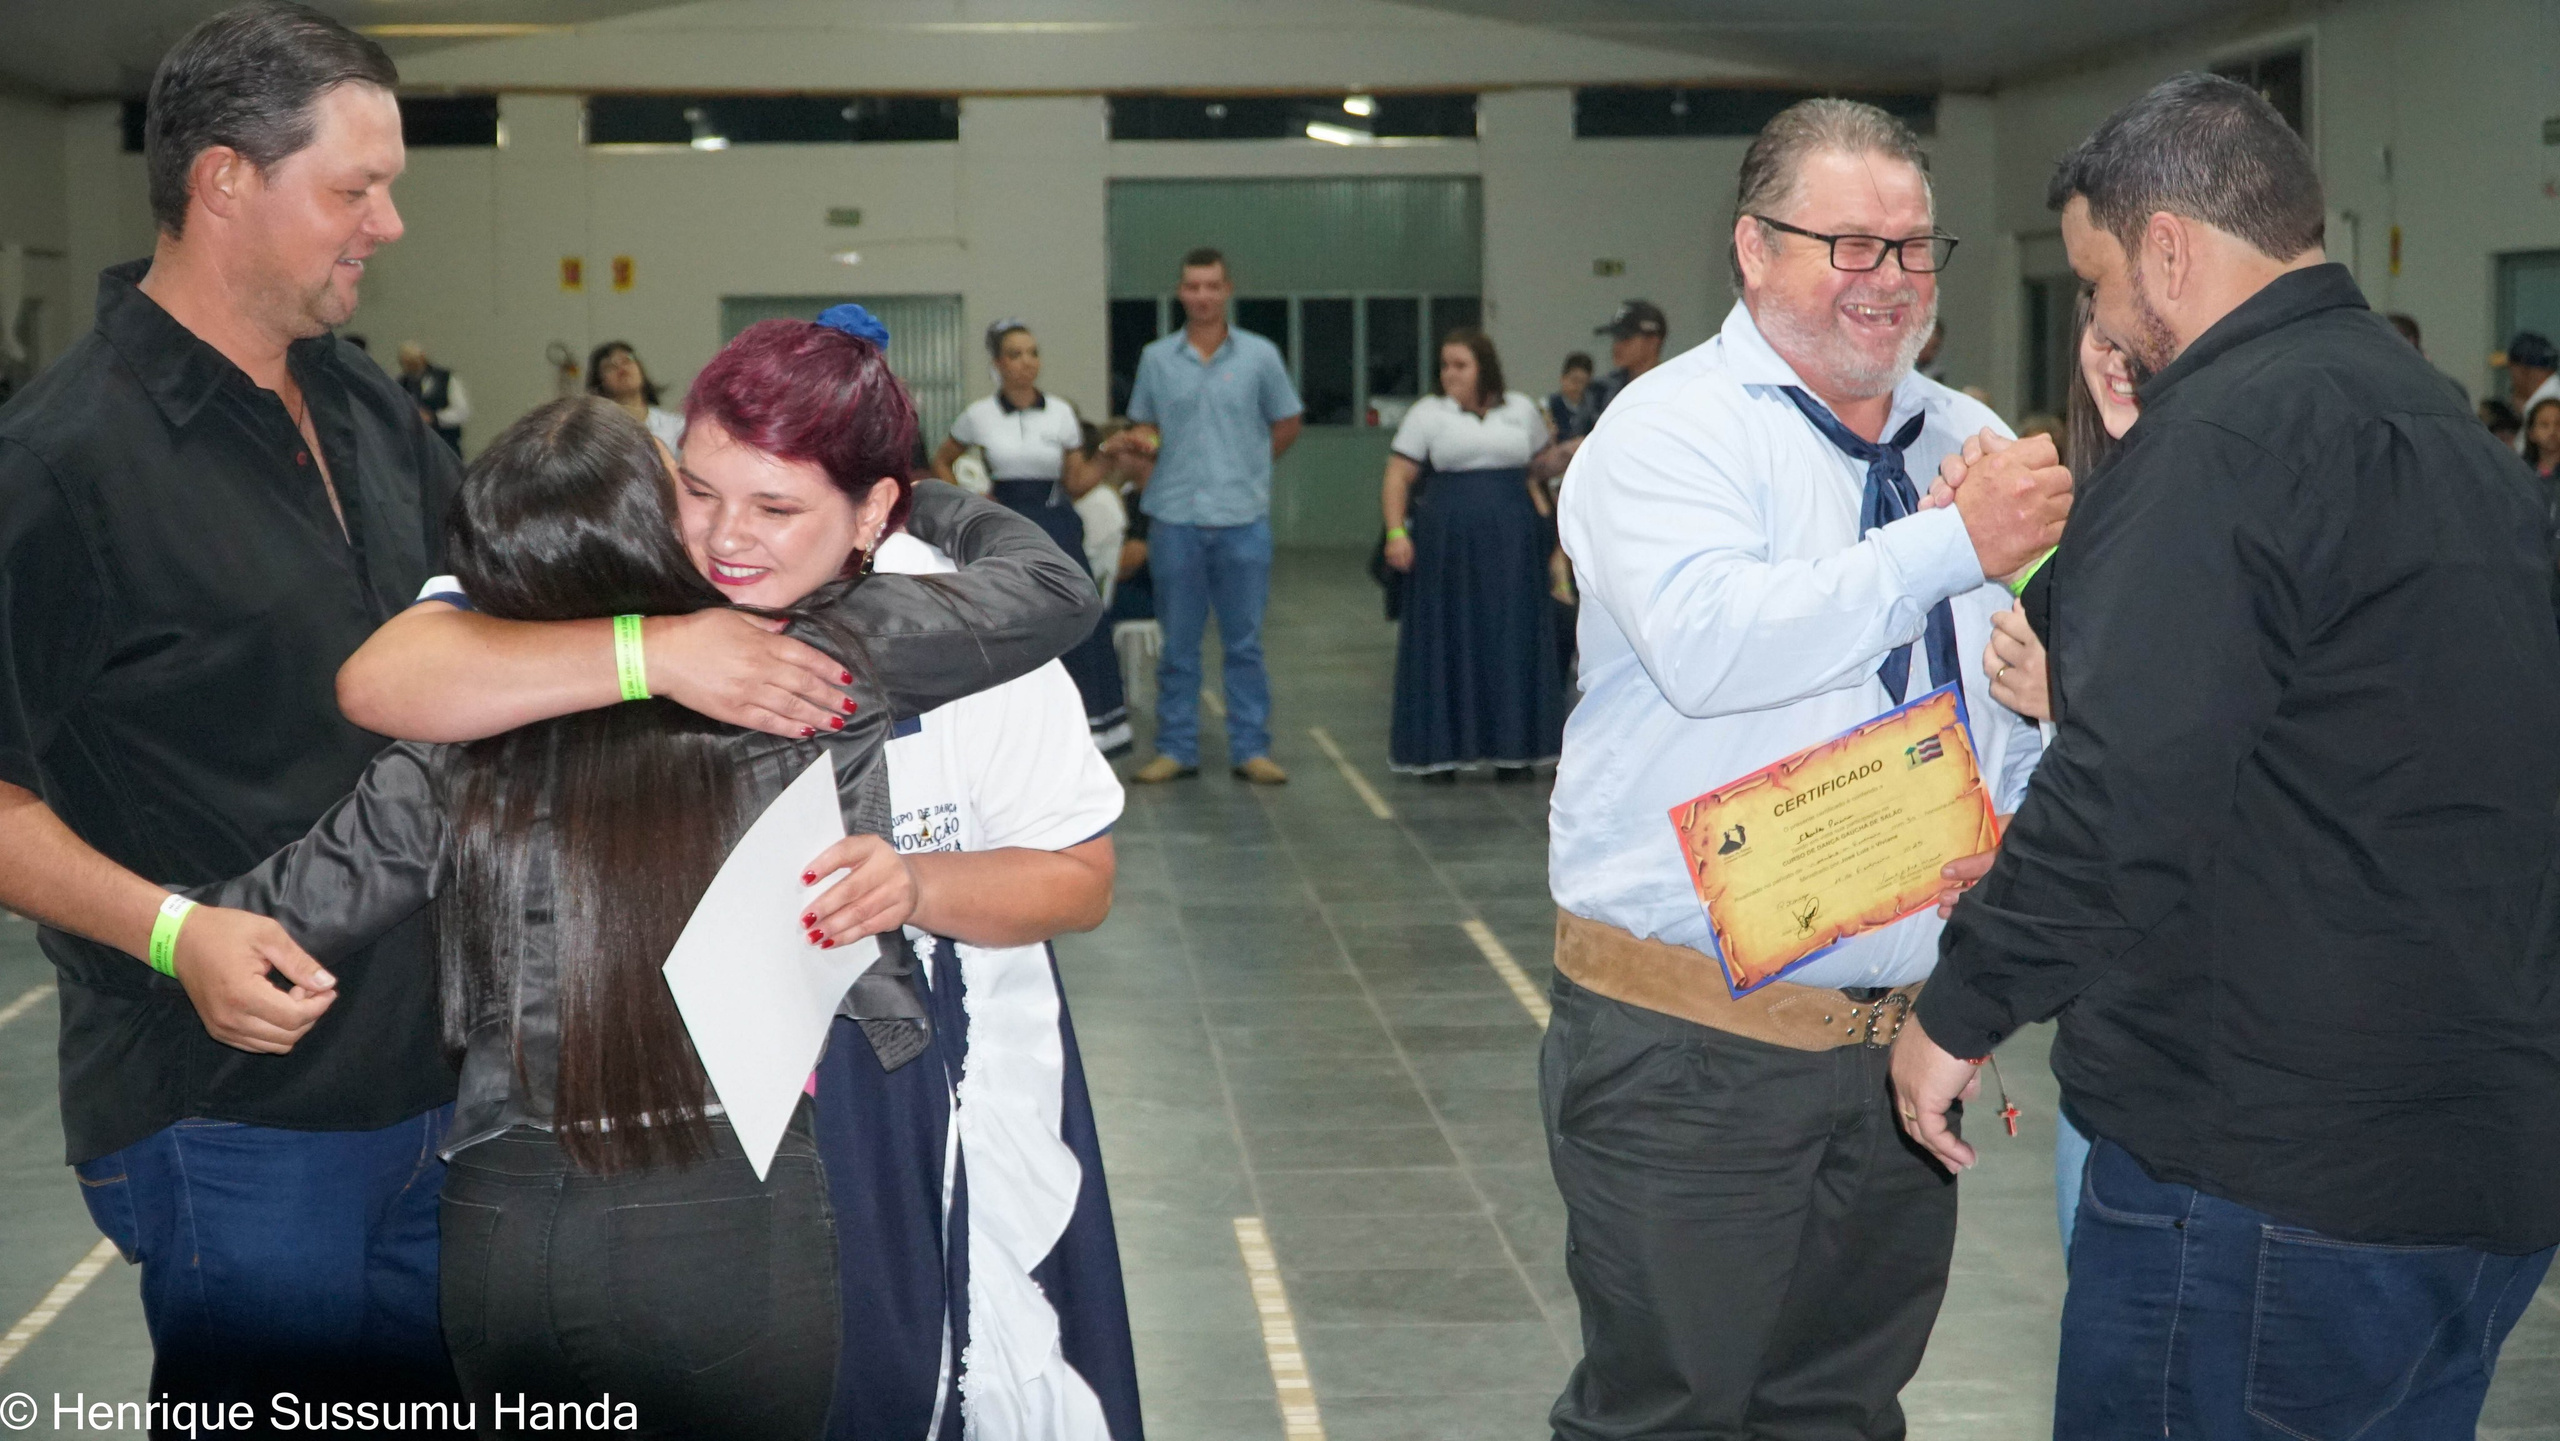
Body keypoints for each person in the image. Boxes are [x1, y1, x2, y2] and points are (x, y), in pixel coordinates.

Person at [1892, 73, 2560, 1437]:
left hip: (2270, 1181)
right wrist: (2136, 466)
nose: (2097, 323)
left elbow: (2122, 786)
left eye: (2096, 280)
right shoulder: (2445, 434)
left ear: (2172, 249)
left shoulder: (2228, 442)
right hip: (2471, 1159)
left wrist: (1958, 1011)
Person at [1543, 97, 2064, 1440]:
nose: (1887, 282)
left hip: (1903, 1040)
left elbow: (1997, 691)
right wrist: (1952, 548)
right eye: (1847, 244)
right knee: (1670, 1411)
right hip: (1694, 1046)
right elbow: (1718, 646)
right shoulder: (1668, 434)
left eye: (1911, 249)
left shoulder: (1970, 439)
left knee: (1841, 1408)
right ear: (1752, 250)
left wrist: (2042, 721)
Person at [0, 3, 465, 1402]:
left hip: (436, 1083)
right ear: (223, 181)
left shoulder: (372, 410)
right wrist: (173, 930)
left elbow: (472, 646)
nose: (383, 224)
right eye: (353, 189)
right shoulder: (61, 465)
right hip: (231, 1121)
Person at [1104, 247, 1303, 785]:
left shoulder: (1260, 356)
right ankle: (1175, 747)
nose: (1202, 296)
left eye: (1212, 286)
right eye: (1193, 286)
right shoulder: (1156, 359)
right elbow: (1145, 426)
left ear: (1227, 290)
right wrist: (1137, 443)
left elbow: (1286, 421)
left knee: (1243, 643)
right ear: (1181, 292)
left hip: (1243, 518)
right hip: (1175, 519)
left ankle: (1251, 748)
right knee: (1179, 644)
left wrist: (1251, 467)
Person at [935, 319, 1129, 754]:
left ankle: (1093, 726)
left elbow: (1077, 481)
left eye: (1033, 353)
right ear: (998, 364)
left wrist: (1108, 457)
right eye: (1015, 354)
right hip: (1003, 520)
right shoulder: (978, 415)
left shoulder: (1061, 412)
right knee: (1008, 618)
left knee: (1079, 610)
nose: (1026, 363)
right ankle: (1010, 734)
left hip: (1055, 520)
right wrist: (971, 499)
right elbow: (942, 459)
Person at [1380, 327, 1563, 778]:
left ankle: (1514, 751)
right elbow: (1397, 477)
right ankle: (1442, 752)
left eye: (1460, 365)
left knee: (1511, 634)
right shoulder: (1428, 414)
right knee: (1448, 634)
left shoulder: (1521, 410)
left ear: (1484, 367)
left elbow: (1541, 467)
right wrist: (1396, 534)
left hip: (1514, 541)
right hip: (1447, 542)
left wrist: (1576, 454)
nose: (1449, 374)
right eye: (1444, 365)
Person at [587, 338, 685, 454]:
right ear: (600, 382)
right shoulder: (596, 435)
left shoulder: (676, 427)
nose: (621, 369)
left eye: (627, 360)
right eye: (610, 366)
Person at [397, 339, 469, 454]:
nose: (410, 366)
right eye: (406, 362)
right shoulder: (401, 384)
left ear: (422, 358)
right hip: (415, 450)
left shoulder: (446, 378)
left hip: (446, 446)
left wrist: (434, 417)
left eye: (413, 361)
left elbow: (462, 412)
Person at [2505, 329, 2558, 453]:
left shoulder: (2545, 405)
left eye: (2511, 369)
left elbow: (2524, 460)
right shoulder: (2550, 394)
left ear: (2522, 370)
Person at [1545, 350, 1595, 440]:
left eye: (1582, 382)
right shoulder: (1548, 405)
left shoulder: (1593, 409)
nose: (1578, 387)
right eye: (1574, 380)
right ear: (1562, 378)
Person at [2528, 395, 2560, 478]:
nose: (2552, 431)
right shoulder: (2522, 471)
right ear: (2531, 433)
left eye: (2558, 424)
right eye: (2544, 425)